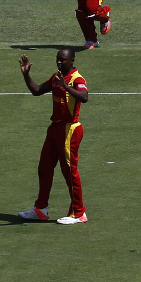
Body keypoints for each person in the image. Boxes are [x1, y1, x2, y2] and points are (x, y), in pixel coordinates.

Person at [18, 48, 89, 224]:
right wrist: (27, 75)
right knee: (44, 167)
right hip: (55, 129)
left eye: (62, 60)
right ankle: (41, 209)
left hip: (69, 130)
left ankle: (79, 213)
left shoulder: (76, 79)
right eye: (57, 59)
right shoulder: (56, 77)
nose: (58, 62)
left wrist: (67, 88)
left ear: (71, 60)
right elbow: (37, 90)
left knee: (70, 172)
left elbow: (85, 97)